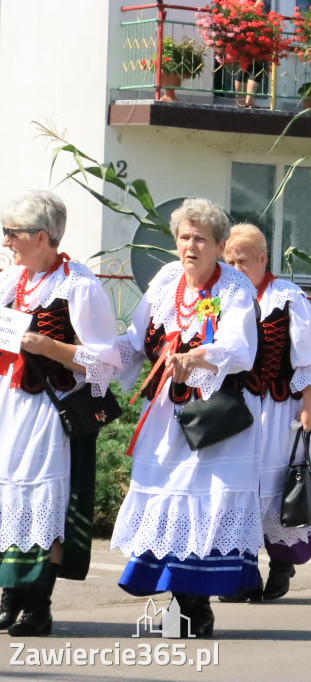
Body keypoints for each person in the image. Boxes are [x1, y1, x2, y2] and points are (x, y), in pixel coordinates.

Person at [110, 198, 261, 637]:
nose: (190, 246)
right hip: (166, 412)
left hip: (214, 419)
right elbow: (137, 338)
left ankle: (196, 607)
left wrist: (195, 356)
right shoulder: (166, 280)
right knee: (170, 499)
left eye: (200, 239)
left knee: (203, 503)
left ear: (218, 245)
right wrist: (91, 356)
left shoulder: (234, 288)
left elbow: (239, 348)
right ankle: (184, 605)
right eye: (183, 237)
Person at [0, 191, 121, 636]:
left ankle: (38, 604)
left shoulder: (78, 285)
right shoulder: (13, 281)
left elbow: (107, 359)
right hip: (9, 405)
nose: (7, 241)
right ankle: (10, 595)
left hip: (51, 411)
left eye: (12, 233)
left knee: (44, 502)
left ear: (42, 236)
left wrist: (50, 347)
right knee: (8, 499)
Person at [220, 224, 311, 603]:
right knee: (235, 489)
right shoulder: (221, 296)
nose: (235, 268)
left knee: (277, 489)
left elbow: (309, 361)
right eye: (228, 261)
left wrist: (309, 409)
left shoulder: (286, 297)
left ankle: (280, 562)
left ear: (262, 259)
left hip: (277, 409)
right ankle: (240, 572)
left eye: (242, 261)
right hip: (233, 410)